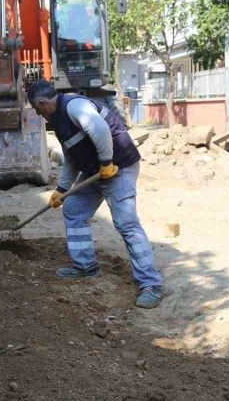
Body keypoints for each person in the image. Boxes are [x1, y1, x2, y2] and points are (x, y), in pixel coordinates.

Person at [27, 80, 164, 309]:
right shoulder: (59, 120)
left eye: (37, 110)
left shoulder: (74, 106)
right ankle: (85, 267)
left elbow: (99, 129)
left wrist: (106, 162)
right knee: (74, 209)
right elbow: (72, 157)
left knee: (126, 224)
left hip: (118, 167)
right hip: (97, 171)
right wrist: (62, 189)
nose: (39, 115)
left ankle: (151, 285)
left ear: (42, 103)